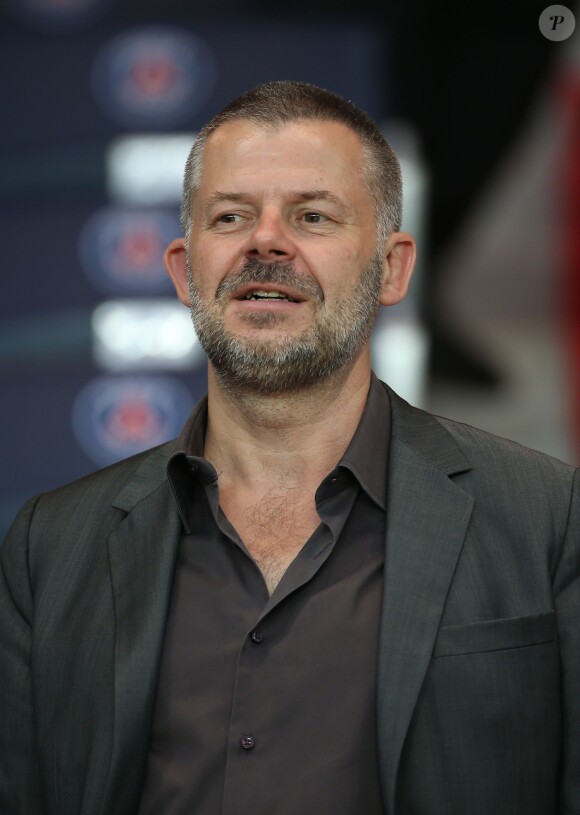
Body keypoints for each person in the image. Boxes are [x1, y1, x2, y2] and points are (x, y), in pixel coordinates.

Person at [0, 80, 578, 815]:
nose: (266, 240)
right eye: (232, 215)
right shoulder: (49, 548)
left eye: (311, 215)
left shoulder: (550, 519)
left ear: (394, 268)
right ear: (185, 269)